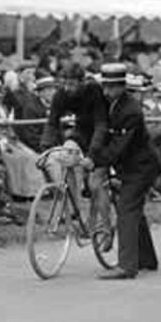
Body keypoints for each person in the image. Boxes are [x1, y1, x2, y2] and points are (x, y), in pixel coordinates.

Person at [94, 64, 161, 280]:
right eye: (105, 86)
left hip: (142, 166)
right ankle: (147, 259)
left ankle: (126, 266)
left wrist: (94, 160)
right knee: (135, 211)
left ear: (123, 87)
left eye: (112, 87)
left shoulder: (130, 110)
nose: (107, 91)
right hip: (130, 165)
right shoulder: (108, 103)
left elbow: (118, 147)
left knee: (126, 209)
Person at [40, 62, 110, 233]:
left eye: (71, 84)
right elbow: (52, 122)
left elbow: (101, 124)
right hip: (81, 132)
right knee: (66, 155)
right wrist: (45, 147)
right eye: (64, 83)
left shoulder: (94, 91)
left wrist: (92, 155)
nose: (67, 88)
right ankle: (77, 212)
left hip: (102, 133)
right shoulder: (61, 94)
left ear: (81, 82)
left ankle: (97, 224)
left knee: (95, 184)